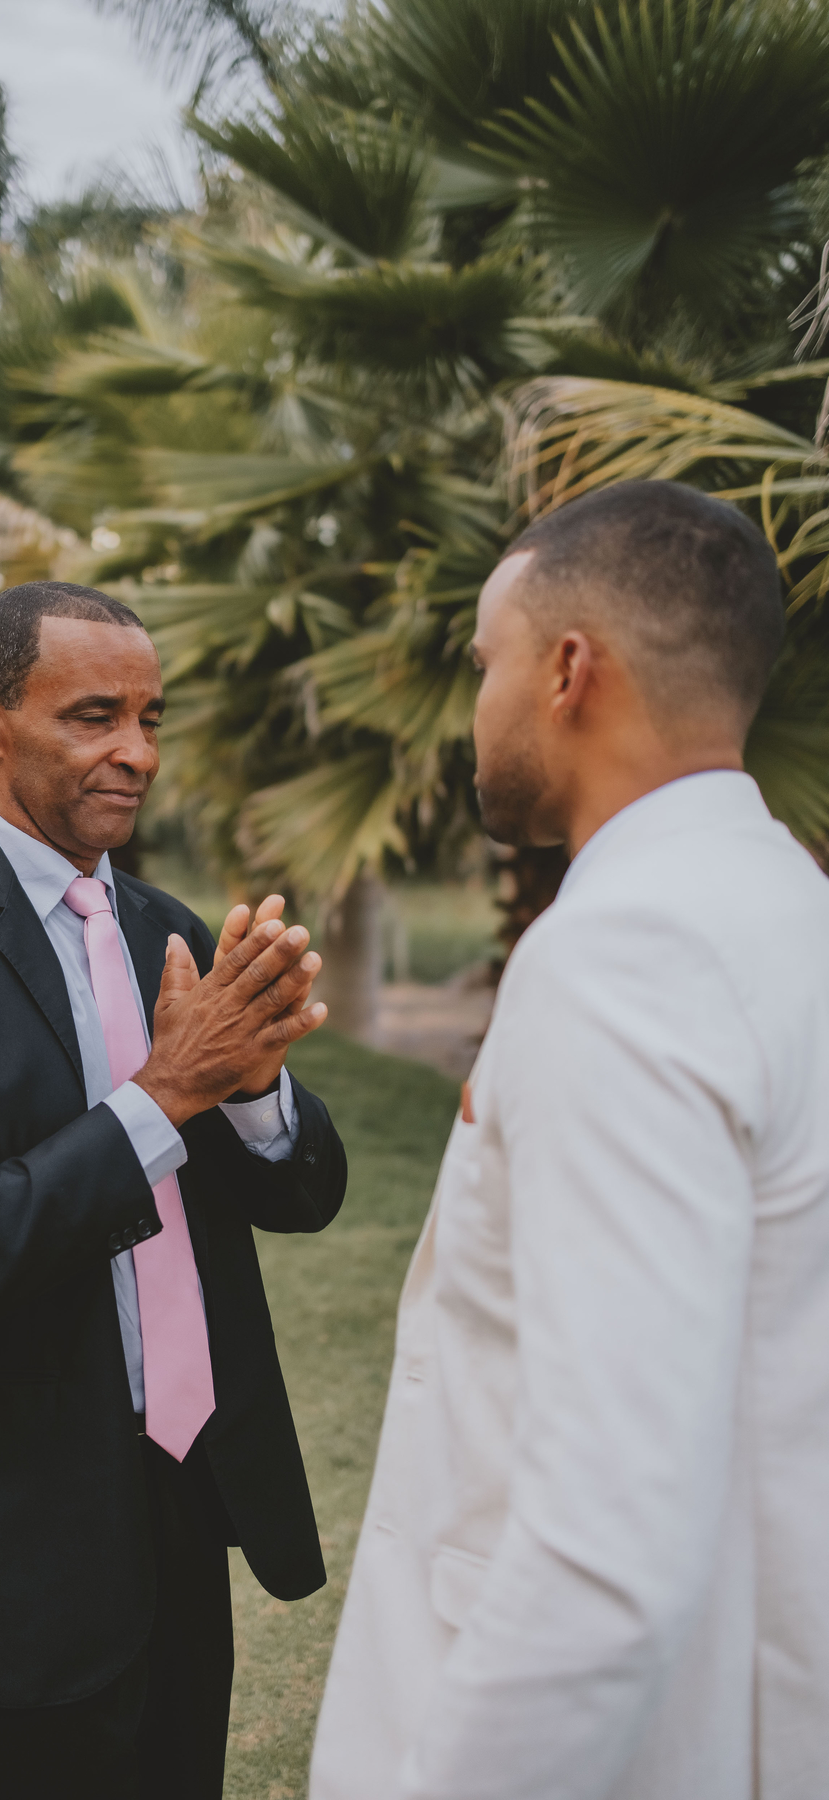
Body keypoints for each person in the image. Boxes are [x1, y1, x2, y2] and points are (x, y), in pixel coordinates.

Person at [0, 580, 347, 1800]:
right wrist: (166, 1093)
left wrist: (254, 1087)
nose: (136, 753)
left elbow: (303, 1198)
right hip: (15, 1524)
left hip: (189, 1486)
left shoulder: (168, 928)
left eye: (150, 718)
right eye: (95, 716)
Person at [310, 481, 829, 1800]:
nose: (475, 708)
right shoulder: (788, 905)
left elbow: (607, 1546)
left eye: (487, 662)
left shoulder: (624, 955)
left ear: (568, 671)